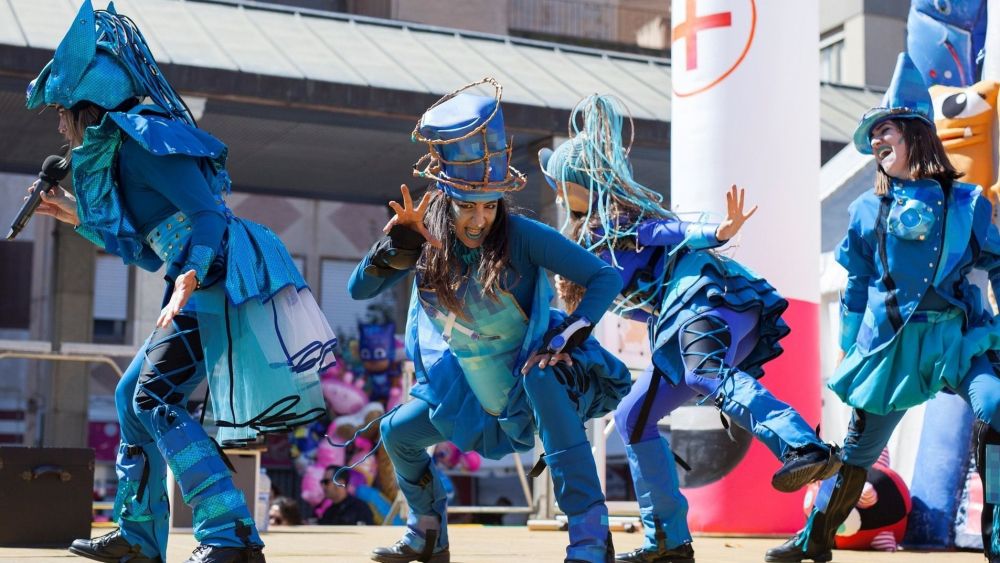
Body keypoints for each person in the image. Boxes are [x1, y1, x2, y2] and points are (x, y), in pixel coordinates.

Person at [27, 2, 336, 562]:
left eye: (62, 108)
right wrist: (74, 214)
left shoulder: (146, 139)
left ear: (84, 104)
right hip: (195, 284)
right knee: (131, 397)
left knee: (154, 397)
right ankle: (141, 538)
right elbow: (150, 245)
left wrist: (189, 275)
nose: (58, 121)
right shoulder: (121, 151)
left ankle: (230, 537)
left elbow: (209, 216)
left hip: (217, 280)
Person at [540, 94, 841, 563]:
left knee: (704, 373)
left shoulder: (621, 224)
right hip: (682, 324)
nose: (557, 196)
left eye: (561, 183)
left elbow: (677, 232)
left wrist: (719, 231)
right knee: (632, 419)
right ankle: (667, 540)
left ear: (582, 181)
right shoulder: (592, 243)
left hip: (704, 301)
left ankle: (803, 445)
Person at [348, 78, 632, 563]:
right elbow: (359, 290)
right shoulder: (424, 240)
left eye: (489, 205)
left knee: (542, 380)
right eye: (467, 207)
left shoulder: (523, 235)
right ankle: (428, 534)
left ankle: (590, 539)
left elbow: (603, 277)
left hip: (538, 371)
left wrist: (572, 330)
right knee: (397, 433)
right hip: (472, 385)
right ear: (444, 201)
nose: (479, 219)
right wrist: (398, 246)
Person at [765, 53, 1000, 563]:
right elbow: (858, 284)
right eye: (872, 134)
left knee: (997, 405)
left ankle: (997, 536)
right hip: (889, 346)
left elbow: (998, 263)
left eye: (885, 130)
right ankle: (815, 540)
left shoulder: (969, 203)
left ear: (916, 133)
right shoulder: (867, 209)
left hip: (956, 339)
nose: (876, 141)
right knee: (857, 452)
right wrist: (853, 348)